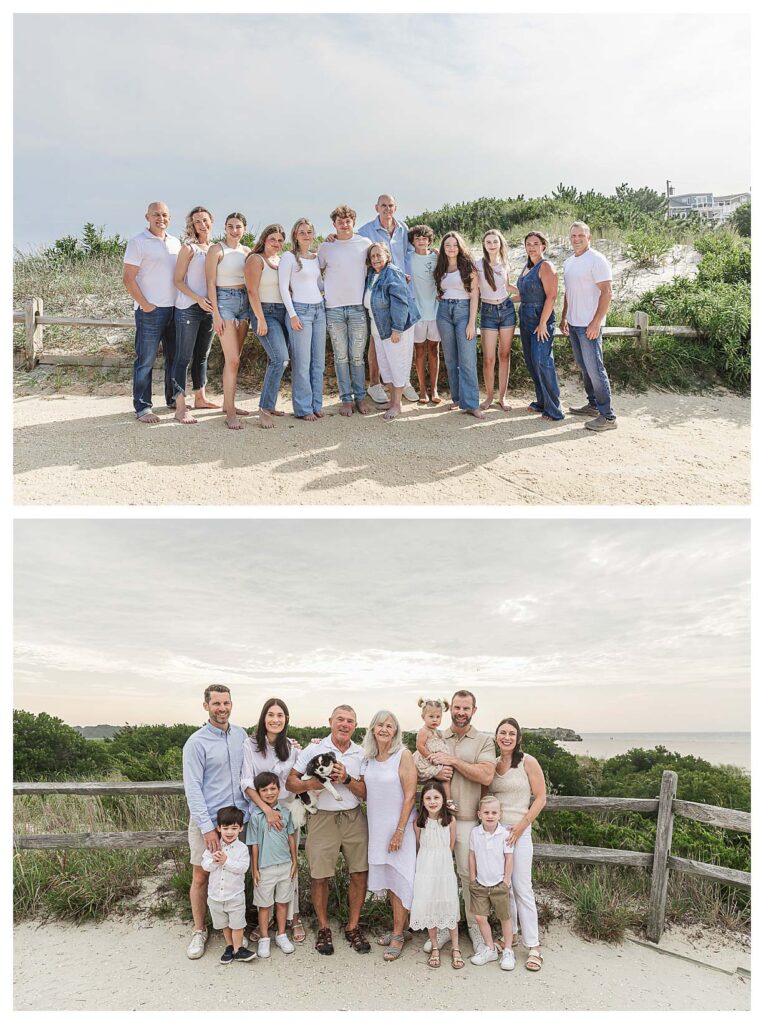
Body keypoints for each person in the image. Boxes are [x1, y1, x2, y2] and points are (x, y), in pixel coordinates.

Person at [286, 705, 370, 956]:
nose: (345, 724)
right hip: (322, 817)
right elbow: (291, 781)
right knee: (320, 875)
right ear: (330, 721)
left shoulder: (362, 753)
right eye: (340, 720)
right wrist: (316, 782)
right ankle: (323, 927)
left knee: (360, 872)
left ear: (356, 726)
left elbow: (365, 792)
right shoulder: (314, 750)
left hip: (353, 817)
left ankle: (353, 926)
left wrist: (345, 779)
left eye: (350, 721)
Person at [425, 689, 496, 956]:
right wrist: (434, 770)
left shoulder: (483, 741)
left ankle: (476, 931)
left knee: (469, 878)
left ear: (474, 710)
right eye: (457, 707)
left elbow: (486, 775)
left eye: (466, 708)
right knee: (440, 876)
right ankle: (445, 927)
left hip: (466, 819)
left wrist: (454, 760)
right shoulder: (436, 736)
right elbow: (423, 771)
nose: (461, 713)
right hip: (437, 821)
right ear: (450, 708)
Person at [182, 684, 250, 961]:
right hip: (208, 821)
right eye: (216, 703)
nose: (222, 708)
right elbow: (193, 787)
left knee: (236, 872)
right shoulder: (196, 742)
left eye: (226, 703)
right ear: (206, 706)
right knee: (201, 874)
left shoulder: (241, 735)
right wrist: (207, 828)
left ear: (232, 704)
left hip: (237, 821)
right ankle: (199, 930)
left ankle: (237, 927)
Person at [240, 697, 305, 944]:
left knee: (289, 862)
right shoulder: (251, 745)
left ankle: (294, 917)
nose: (275, 720)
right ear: (263, 717)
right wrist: (267, 810)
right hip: (260, 810)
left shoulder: (292, 747)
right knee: (263, 865)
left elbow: (303, 770)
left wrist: (316, 744)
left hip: (287, 808)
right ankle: (264, 921)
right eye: (271, 715)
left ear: (286, 719)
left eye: (280, 715)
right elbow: (246, 781)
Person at [486, 717, 546, 972]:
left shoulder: (527, 762)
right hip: (496, 833)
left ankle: (534, 946)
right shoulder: (492, 764)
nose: (507, 737)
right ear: (496, 736)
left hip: (519, 832)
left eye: (512, 733)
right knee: (504, 888)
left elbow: (541, 797)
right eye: (502, 733)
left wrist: (521, 827)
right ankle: (512, 935)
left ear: (518, 737)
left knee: (522, 887)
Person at [360, 709, 417, 961]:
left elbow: (410, 795)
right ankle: (400, 928)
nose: (384, 729)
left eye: (389, 726)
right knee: (390, 881)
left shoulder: (402, 756)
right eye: (380, 725)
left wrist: (400, 830)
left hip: (398, 829)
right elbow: (362, 790)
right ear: (372, 728)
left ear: (396, 731)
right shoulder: (369, 758)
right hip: (377, 828)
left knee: (400, 878)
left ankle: (397, 935)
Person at [357, 194, 418, 406]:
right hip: (378, 292)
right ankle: (375, 384)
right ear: (376, 207)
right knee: (377, 340)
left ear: (396, 207)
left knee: (401, 343)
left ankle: (402, 383)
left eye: (391, 205)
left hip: (400, 290)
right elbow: (355, 249)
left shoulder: (403, 229)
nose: (387, 209)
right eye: (383, 205)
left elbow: (410, 254)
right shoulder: (365, 231)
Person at [123, 201, 181, 423]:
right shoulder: (137, 242)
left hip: (175, 310)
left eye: (165, 215)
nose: (161, 218)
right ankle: (143, 407)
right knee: (145, 359)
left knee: (175, 359)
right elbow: (128, 278)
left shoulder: (176, 243)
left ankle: (173, 399)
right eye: (156, 214)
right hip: (150, 311)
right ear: (147, 217)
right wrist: (145, 304)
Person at [560, 220, 617, 431]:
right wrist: (564, 316)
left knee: (595, 369)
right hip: (574, 324)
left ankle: (608, 417)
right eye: (573, 236)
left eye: (581, 236)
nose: (576, 239)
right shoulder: (568, 262)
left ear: (589, 237)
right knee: (584, 367)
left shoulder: (597, 260)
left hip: (589, 325)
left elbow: (607, 292)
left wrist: (596, 322)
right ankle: (593, 405)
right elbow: (569, 293)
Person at [317, 205, 372, 417]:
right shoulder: (326, 247)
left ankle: (360, 397)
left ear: (353, 222)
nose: (344, 224)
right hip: (333, 308)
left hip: (358, 308)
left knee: (357, 357)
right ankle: (346, 399)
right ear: (334, 224)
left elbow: (379, 263)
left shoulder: (364, 244)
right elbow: (315, 271)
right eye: (340, 221)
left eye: (348, 220)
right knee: (341, 357)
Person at [409, 781, 464, 970]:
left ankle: (456, 947)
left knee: (448, 903)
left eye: (436, 797)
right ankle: (434, 946)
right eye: (428, 798)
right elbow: (419, 845)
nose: (432, 802)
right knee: (429, 904)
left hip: (444, 868)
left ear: (443, 799)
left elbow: (450, 845)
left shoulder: (450, 821)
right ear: (422, 801)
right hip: (426, 868)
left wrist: (442, 860)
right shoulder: (419, 822)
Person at [363, 243, 420, 421]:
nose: (375, 259)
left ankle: (397, 404)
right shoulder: (373, 274)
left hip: (396, 328)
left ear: (387, 255)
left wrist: (397, 328)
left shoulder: (392, 272)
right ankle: (392, 400)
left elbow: (401, 302)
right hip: (379, 328)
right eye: (372, 256)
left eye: (379, 255)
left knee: (397, 365)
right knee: (385, 365)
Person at [171, 206, 217, 425]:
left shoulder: (216, 249)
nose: (202, 224)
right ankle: (180, 406)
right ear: (192, 225)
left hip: (209, 309)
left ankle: (201, 397)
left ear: (212, 221)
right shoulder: (188, 249)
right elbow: (178, 280)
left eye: (205, 220)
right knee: (183, 358)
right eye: (198, 221)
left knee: (202, 356)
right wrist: (197, 298)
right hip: (189, 308)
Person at [206, 212, 252, 430]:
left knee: (235, 358)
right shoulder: (217, 249)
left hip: (245, 303)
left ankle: (227, 403)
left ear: (244, 229)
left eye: (238, 226)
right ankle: (231, 412)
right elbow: (210, 282)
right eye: (230, 226)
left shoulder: (247, 252)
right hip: (224, 302)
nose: (234, 230)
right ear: (225, 228)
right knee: (232, 359)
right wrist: (215, 313)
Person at [246, 771, 298, 958]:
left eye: (273, 788)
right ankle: (264, 938)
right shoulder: (257, 817)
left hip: (285, 865)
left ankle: (282, 935)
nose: (269, 793)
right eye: (264, 790)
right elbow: (254, 845)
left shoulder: (286, 813)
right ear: (258, 793)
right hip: (265, 868)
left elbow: (291, 837)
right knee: (264, 906)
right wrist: (255, 870)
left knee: (282, 902)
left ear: (279, 789)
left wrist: (294, 861)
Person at [278, 218, 326, 421]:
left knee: (318, 363)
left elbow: (320, 285)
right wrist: (293, 314)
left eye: (309, 232)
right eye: (302, 232)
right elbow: (283, 288)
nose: (306, 235)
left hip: (319, 310)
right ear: (295, 236)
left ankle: (316, 404)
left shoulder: (315, 258)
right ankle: (303, 408)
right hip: (300, 311)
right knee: (302, 362)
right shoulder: (289, 257)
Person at [434, 232, 484, 419]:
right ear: (443, 248)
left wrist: (472, 323)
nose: (451, 248)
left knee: (467, 360)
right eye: (447, 245)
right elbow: (440, 290)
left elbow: (474, 296)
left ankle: (471, 404)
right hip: (444, 312)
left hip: (464, 312)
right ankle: (457, 399)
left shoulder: (468, 267)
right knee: (450, 359)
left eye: (455, 245)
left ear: (460, 246)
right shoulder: (440, 266)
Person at [245, 224, 289, 429]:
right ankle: (263, 408)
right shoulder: (256, 259)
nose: (277, 243)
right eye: (273, 239)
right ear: (264, 239)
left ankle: (270, 405)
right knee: (279, 359)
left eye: (280, 240)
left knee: (283, 360)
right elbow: (252, 291)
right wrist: (260, 319)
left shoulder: (281, 261)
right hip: (265, 313)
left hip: (284, 313)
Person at [200, 805, 257, 964]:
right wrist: (214, 861)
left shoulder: (242, 849)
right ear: (219, 828)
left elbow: (243, 868)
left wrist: (226, 861)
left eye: (234, 828)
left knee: (237, 924)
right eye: (226, 828)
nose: (230, 832)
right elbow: (205, 865)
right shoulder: (213, 846)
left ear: (240, 829)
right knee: (224, 924)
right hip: (216, 896)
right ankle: (230, 947)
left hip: (235, 895)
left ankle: (239, 950)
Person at [516, 231, 564, 421]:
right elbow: (523, 294)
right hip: (525, 316)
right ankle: (542, 401)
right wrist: (504, 300)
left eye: (536, 243)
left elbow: (551, 296)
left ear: (543, 246)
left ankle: (555, 409)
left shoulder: (546, 266)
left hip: (539, 317)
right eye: (528, 244)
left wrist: (543, 323)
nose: (532, 247)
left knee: (543, 361)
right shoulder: (527, 267)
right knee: (532, 361)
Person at [468, 795, 515, 970]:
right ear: (479, 814)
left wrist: (506, 881)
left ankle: (508, 950)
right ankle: (489, 948)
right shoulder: (475, 833)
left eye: (494, 812)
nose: (490, 815)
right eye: (486, 812)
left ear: (500, 814)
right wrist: (472, 879)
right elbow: (472, 856)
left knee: (504, 917)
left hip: (499, 884)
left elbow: (509, 858)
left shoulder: (505, 834)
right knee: (480, 917)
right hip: (480, 883)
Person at [477, 229, 519, 411]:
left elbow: (508, 286)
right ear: (484, 245)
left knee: (504, 355)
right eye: (488, 242)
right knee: (488, 358)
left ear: (500, 244)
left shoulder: (505, 264)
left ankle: (502, 397)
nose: (492, 245)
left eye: (495, 242)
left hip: (507, 310)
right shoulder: (478, 265)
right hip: (487, 312)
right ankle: (488, 397)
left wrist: (524, 292)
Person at [408, 224, 442, 405]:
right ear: (412, 241)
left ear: (429, 240)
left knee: (434, 350)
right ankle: (422, 389)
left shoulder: (437, 257)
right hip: (417, 311)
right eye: (417, 238)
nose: (421, 241)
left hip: (435, 310)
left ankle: (434, 389)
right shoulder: (408, 258)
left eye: (424, 238)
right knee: (419, 351)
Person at [413, 698, 456, 811]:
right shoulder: (423, 731)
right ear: (423, 717)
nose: (435, 720)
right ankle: (445, 800)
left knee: (446, 774)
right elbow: (420, 746)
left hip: (435, 760)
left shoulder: (437, 732)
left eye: (438, 717)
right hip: (426, 760)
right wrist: (429, 756)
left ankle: (447, 800)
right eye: (431, 717)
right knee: (444, 774)